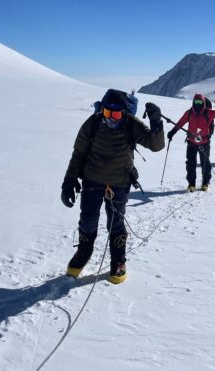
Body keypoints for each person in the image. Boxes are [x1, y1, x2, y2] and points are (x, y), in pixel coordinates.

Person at [60, 89, 165, 283]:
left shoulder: (131, 125)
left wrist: (156, 122)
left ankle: (118, 261)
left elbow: (155, 145)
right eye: (107, 113)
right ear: (102, 111)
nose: (111, 118)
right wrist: (69, 181)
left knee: (115, 223)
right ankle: (84, 253)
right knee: (88, 220)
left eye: (116, 114)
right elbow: (78, 154)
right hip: (92, 179)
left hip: (119, 182)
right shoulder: (92, 124)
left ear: (124, 113)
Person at [167, 94, 215, 192]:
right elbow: (180, 123)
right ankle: (191, 184)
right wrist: (173, 132)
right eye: (196, 102)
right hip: (191, 142)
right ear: (193, 102)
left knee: (205, 163)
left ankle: (205, 183)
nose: (198, 104)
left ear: (203, 103)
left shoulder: (208, 113)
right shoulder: (189, 113)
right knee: (190, 164)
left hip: (204, 142)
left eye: (200, 102)